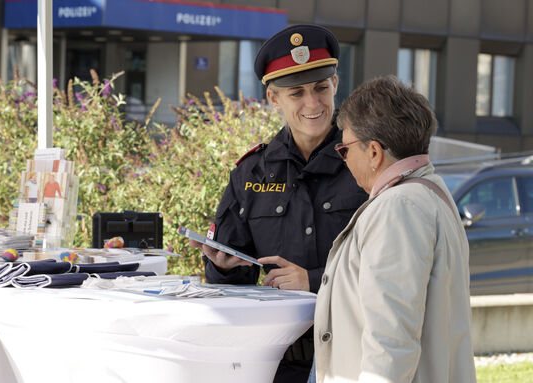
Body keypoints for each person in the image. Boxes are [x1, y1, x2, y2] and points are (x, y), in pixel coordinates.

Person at [189, 24, 368, 383]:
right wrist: (225, 268)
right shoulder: (250, 173)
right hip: (274, 365)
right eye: (296, 93)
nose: (313, 103)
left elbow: (389, 266)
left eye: (321, 88)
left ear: (335, 84)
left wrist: (313, 280)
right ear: (274, 99)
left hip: (353, 359)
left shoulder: (366, 161)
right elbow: (233, 292)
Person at [312, 75, 476, 382]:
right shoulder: (429, 192)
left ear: (373, 152)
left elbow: (389, 341)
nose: (343, 160)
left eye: (344, 149)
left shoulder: (397, 207)